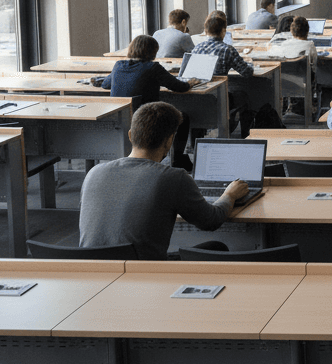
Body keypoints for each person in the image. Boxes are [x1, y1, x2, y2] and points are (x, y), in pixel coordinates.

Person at [79, 102, 246, 260]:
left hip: (92, 273)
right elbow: (211, 221)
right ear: (169, 141)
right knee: (217, 247)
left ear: (130, 135)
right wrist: (229, 194)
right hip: (143, 275)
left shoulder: (94, 173)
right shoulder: (172, 177)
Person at [96, 35, 197, 171]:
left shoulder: (119, 65)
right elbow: (179, 87)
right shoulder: (153, 67)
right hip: (146, 119)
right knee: (183, 118)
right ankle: (177, 159)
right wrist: (190, 83)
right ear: (153, 51)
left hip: (120, 118)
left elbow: (105, 84)